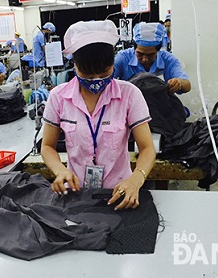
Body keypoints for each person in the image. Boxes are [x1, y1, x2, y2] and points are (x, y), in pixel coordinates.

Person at [41, 20, 156, 210]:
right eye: (87, 74)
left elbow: (147, 148)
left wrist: (137, 178)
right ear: (75, 66)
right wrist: (60, 171)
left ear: (113, 64)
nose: (96, 80)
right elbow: (47, 146)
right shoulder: (58, 97)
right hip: (77, 195)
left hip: (119, 192)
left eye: (104, 72)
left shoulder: (129, 95)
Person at [113, 22, 191, 94]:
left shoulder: (168, 60)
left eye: (150, 55)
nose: (145, 59)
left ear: (158, 50)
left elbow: (187, 85)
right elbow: (107, 80)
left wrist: (178, 83)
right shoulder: (123, 58)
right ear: (134, 48)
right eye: (140, 54)